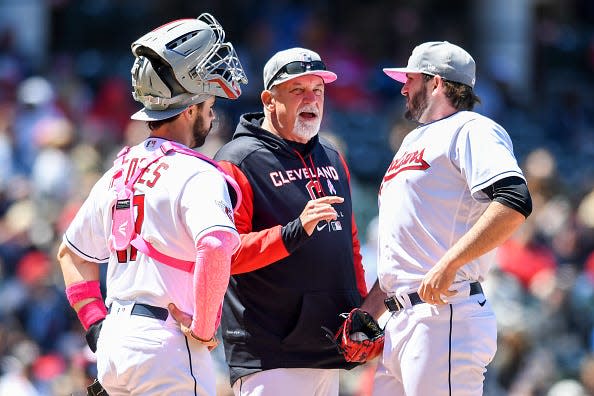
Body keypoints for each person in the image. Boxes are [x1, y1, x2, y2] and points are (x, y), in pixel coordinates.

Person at [56, 13, 247, 395]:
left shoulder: (118, 171)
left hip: (115, 344)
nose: (212, 113)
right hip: (168, 345)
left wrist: (96, 325)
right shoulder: (196, 173)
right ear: (190, 109)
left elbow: (70, 255)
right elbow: (215, 244)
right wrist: (205, 327)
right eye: (208, 103)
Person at [360, 41, 533, 396]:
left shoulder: (471, 129)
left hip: (444, 315)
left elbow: (515, 200)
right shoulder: (411, 141)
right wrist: (367, 314)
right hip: (400, 320)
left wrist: (450, 263)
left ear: (436, 83)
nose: (403, 87)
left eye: (410, 79)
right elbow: (404, 249)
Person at [213, 47, 368, 395]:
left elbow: (350, 244)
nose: (311, 100)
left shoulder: (332, 156)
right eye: (298, 90)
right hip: (270, 353)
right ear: (269, 98)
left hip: (328, 347)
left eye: (319, 90)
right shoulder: (238, 161)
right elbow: (226, 255)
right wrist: (294, 232)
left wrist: (360, 311)